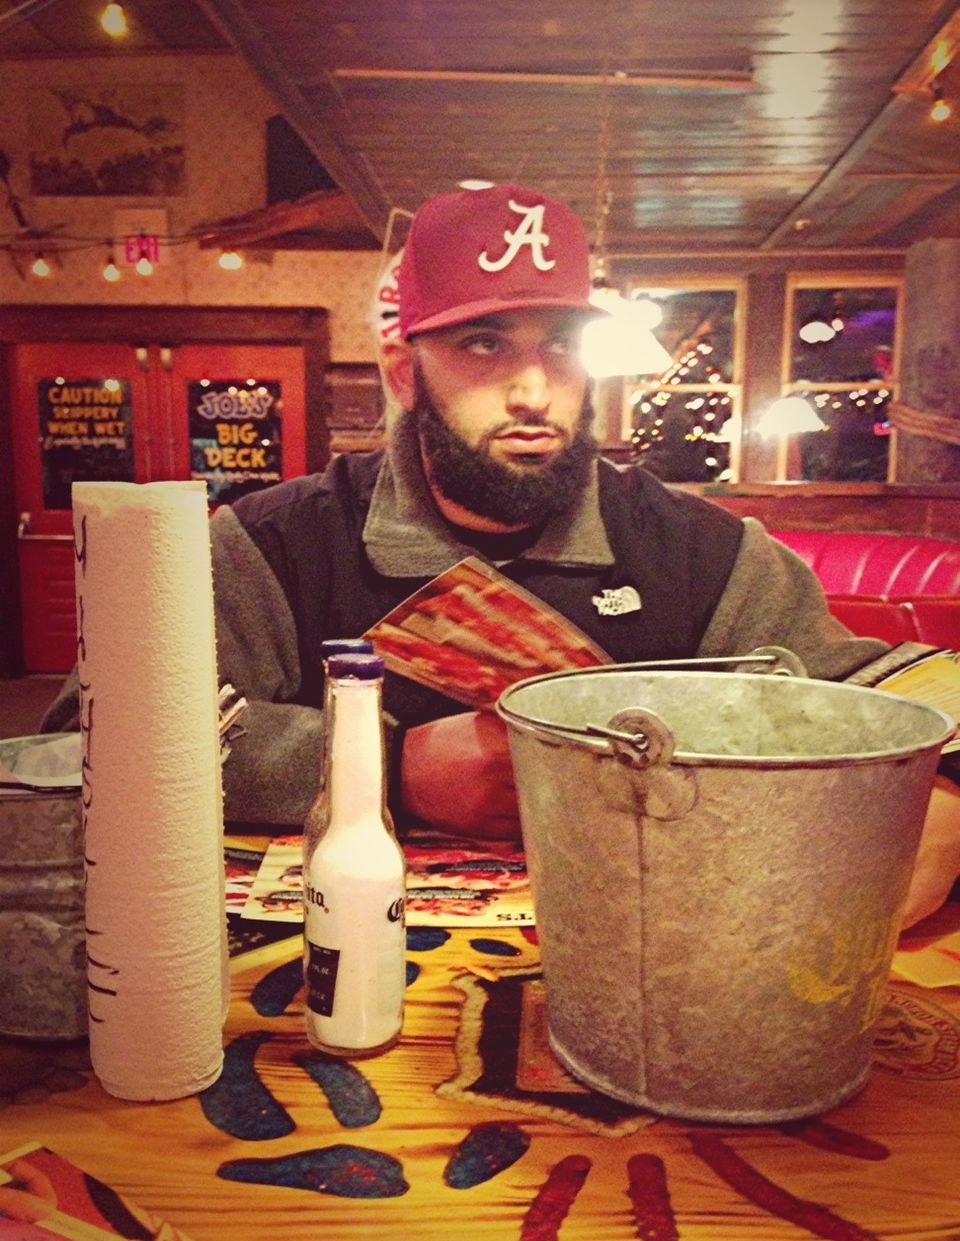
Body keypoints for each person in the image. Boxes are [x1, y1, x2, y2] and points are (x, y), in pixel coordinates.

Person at [43, 183, 960, 927]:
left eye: (562, 346)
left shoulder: (703, 551)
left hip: (658, 979)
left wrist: (949, 790)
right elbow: (85, 741)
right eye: (485, 344)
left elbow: (900, 689)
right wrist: (388, 765)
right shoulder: (272, 543)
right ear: (406, 373)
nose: (533, 390)